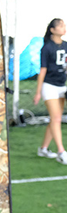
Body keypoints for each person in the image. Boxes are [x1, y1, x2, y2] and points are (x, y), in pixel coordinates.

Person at [34, 18, 67, 164]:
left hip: (62, 86)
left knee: (55, 119)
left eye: (63, 25)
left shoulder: (66, 46)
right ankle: (61, 151)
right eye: (60, 26)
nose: (63, 28)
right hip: (50, 86)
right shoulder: (47, 48)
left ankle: (43, 149)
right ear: (52, 30)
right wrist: (38, 92)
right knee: (56, 118)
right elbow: (43, 70)